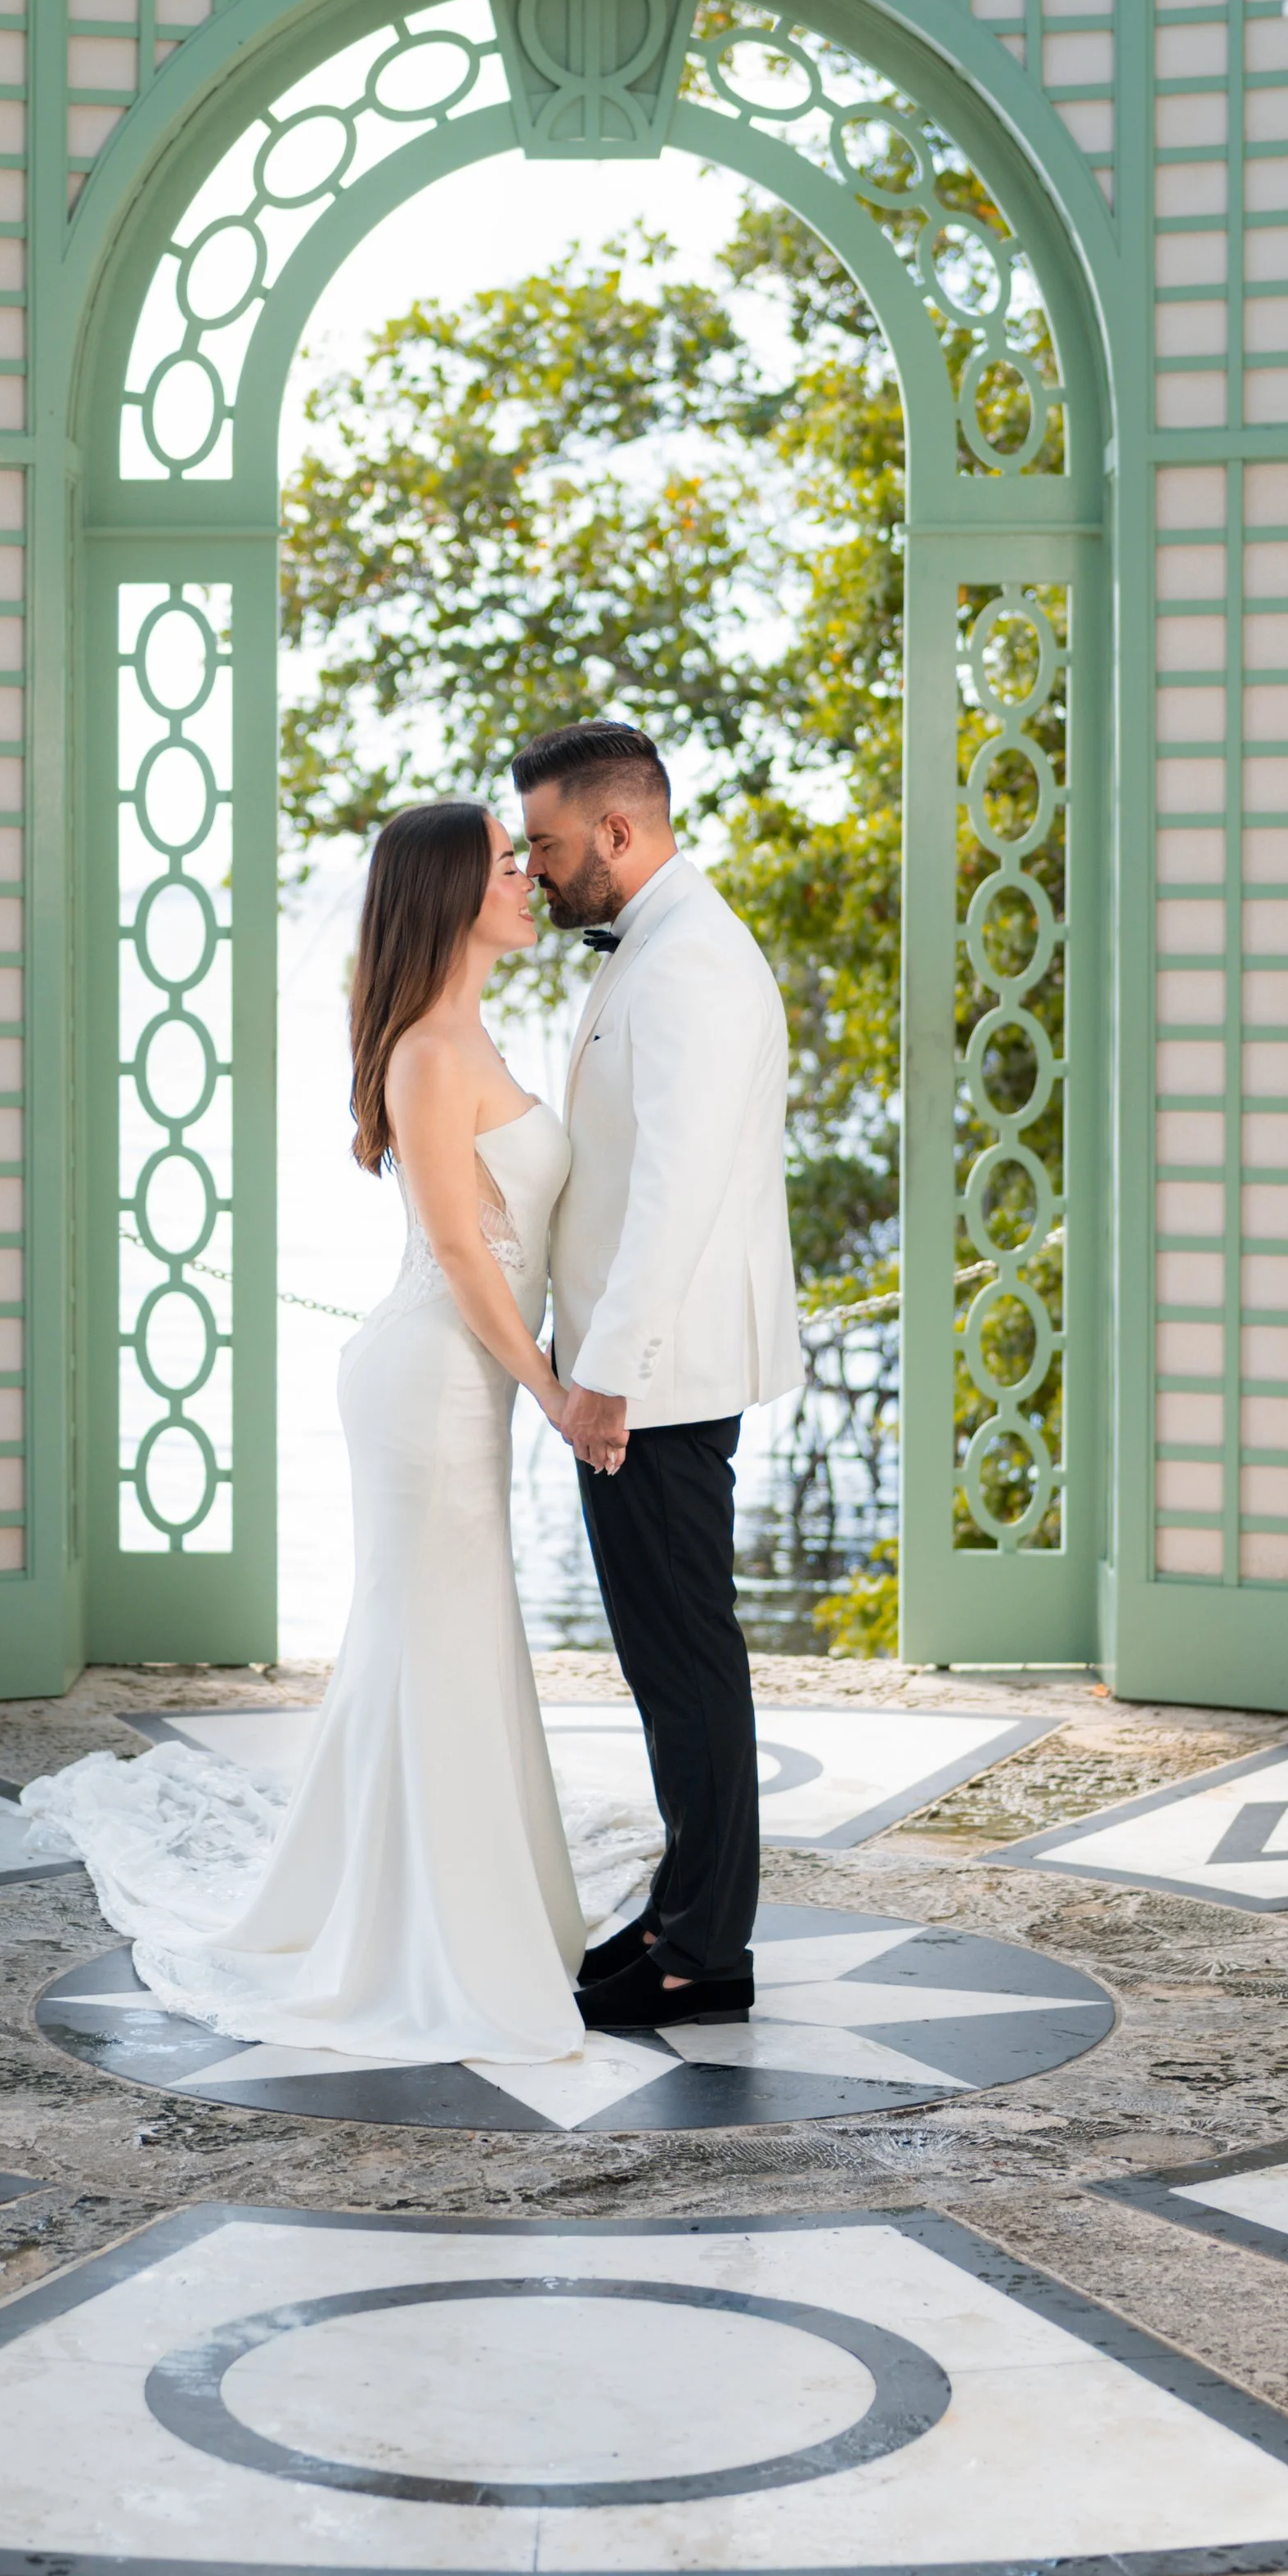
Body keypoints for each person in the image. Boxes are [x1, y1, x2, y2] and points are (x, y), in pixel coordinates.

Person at [25, 801, 641, 2067]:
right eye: (506, 864)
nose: (530, 878)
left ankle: (467, 1893)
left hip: (461, 1380)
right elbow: (463, 1253)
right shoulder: (426, 1052)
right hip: (428, 1382)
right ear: (450, 895)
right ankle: (420, 1926)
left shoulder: (473, 1030)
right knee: (434, 1634)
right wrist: (551, 1387)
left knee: (443, 1635)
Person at [512, 721, 801, 2034]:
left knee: (687, 1661)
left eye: (553, 846)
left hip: (659, 1381)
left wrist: (604, 1376)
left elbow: (677, 1192)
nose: (540, 869)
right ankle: (691, 1914)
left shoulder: (689, 966)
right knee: (670, 1659)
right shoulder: (662, 943)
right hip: (644, 1369)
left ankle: (704, 1955)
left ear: (618, 832)